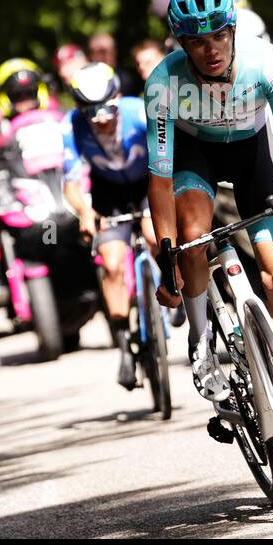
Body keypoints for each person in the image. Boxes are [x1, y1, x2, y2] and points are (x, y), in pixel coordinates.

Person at [143, 0, 273, 400]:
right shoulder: (164, 82)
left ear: (234, 30)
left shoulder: (267, 63)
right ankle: (201, 342)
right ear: (180, 43)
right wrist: (170, 264)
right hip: (193, 155)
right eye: (197, 42)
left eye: (220, 35)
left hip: (249, 153)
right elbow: (160, 181)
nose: (211, 49)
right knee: (194, 233)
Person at [62, 63, 157, 389]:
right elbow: (71, 181)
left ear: (118, 96)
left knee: (154, 235)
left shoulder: (139, 112)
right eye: (91, 112)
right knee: (113, 264)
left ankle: (174, 288)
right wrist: (85, 212)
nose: (101, 119)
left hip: (149, 182)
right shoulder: (72, 125)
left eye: (108, 108)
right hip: (107, 192)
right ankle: (124, 347)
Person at [88, 33, 141, 97]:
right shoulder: (85, 79)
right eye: (92, 52)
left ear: (114, 52)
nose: (96, 56)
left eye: (102, 51)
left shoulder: (129, 79)